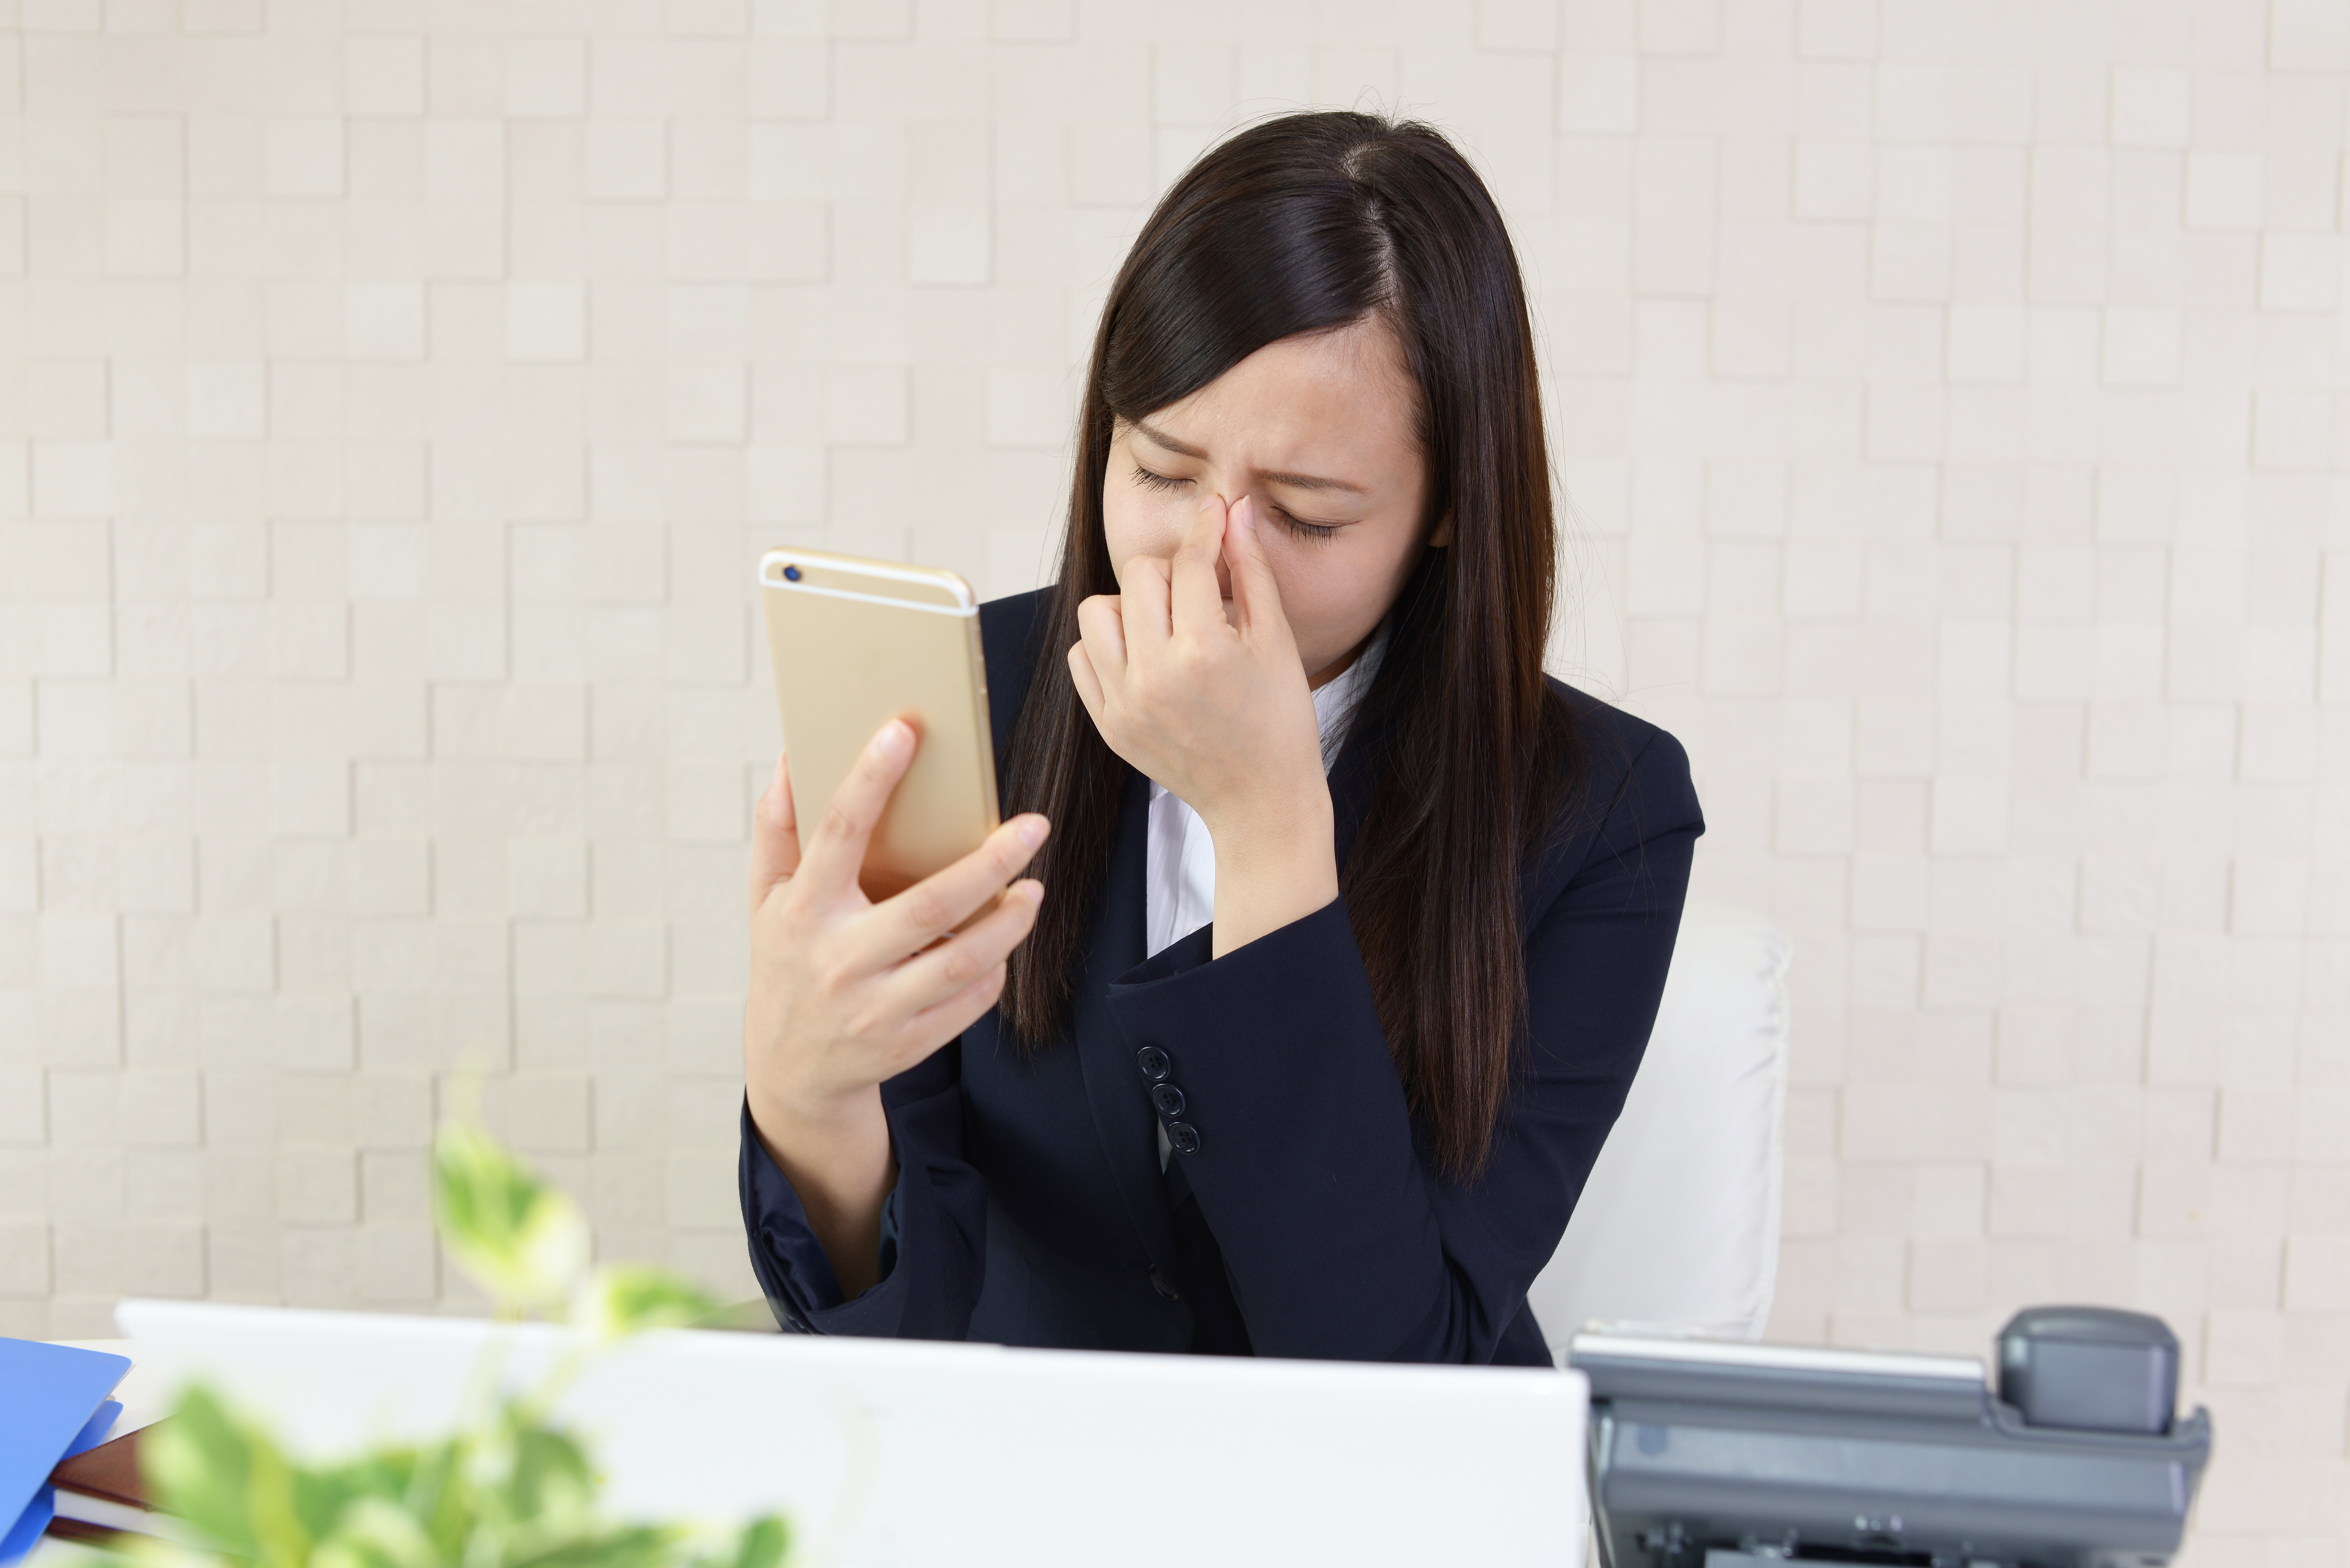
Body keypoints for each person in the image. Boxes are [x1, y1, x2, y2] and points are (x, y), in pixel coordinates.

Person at [737, 110, 1703, 1365]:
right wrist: (810, 1096)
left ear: (1450, 510)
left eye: (1303, 515)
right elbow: (895, 1339)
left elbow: (1390, 1367)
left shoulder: (1600, 811)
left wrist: (1269, 830)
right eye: (1159, 468)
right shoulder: (967, 691)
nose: (1203, 558)